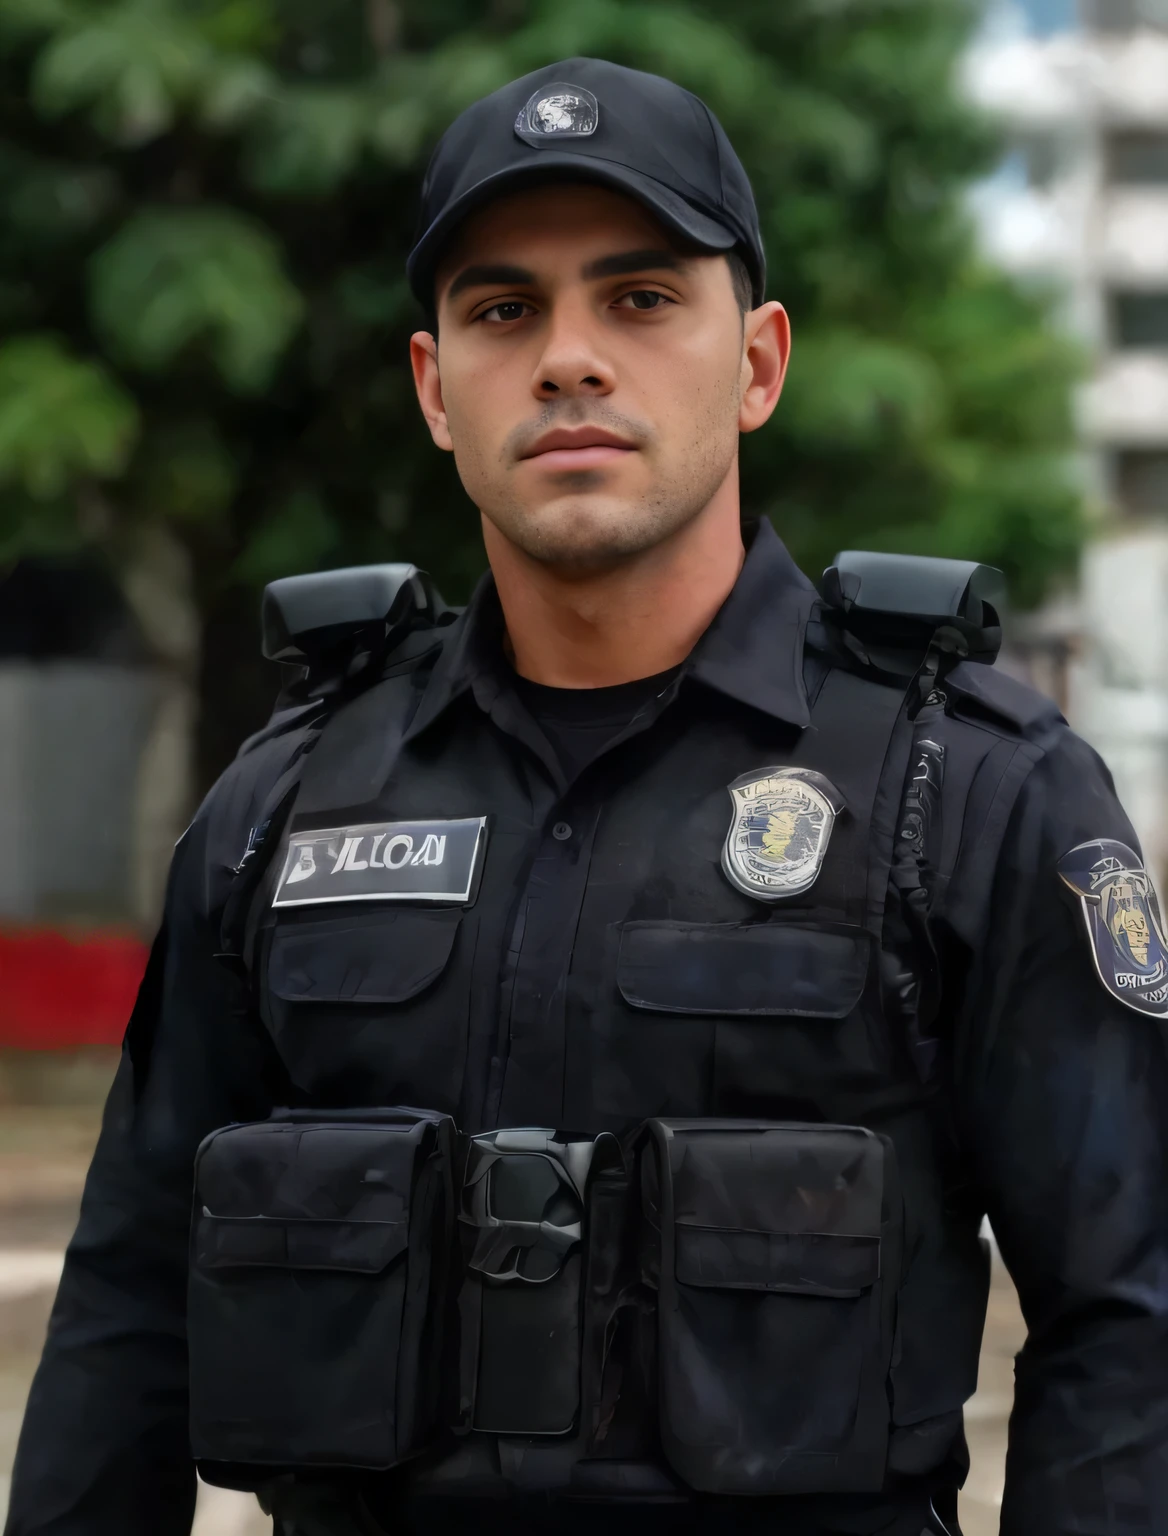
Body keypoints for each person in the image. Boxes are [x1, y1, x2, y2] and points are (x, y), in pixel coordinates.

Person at [7, 56, 1168, 1536]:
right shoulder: (287, 804)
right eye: (504, 311)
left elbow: (1128, 1326)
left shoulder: (975, 789)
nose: (568, 359)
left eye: (639, 299)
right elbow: (127, 1303)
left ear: (756, 363)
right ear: (436, 387)